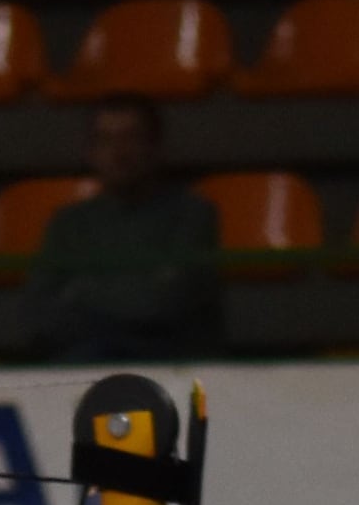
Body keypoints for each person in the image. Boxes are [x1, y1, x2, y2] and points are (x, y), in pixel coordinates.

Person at [18, 95, 225, 362]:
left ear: (156, 147)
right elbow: (40, 315)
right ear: (90, 152)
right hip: (83, 369)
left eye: (131, 138)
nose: (119, 152)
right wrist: (138, 291)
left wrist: (82, 291)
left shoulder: (193, 215)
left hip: (171, 367)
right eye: (105, 140)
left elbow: (167, 303)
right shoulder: (67, 223)